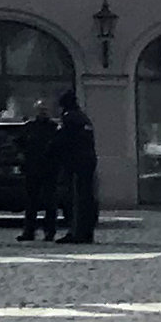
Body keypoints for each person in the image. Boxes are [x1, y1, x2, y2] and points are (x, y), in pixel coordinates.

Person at [55, 92, 100, 243]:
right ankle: (87, 232)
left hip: (75, 164)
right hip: (89, 163)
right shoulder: (83, 118)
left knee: (74, 199)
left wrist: (51, 154)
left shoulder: (69, 118)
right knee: (88, 199)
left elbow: (62, 141)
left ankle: (76, 232)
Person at [17, 108, 63, 242]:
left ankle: (49, 232)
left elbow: (59, 146)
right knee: (32, 202)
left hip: (49, 169)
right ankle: (29, 231)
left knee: (49, 202)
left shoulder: (53, 127)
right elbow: (19, 142)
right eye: (40, 110)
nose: (42, 113)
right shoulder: (30, 127)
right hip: (34, 168)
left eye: (44, 110)